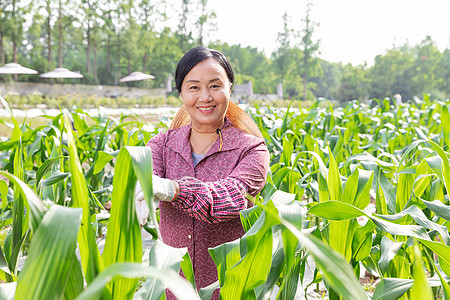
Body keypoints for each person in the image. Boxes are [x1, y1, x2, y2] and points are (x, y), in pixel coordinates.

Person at [137, 46, 269, 299]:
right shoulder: (162, 144)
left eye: (215, 86)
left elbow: (231, 196)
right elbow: (146, 170)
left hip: (230, 287)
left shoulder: (251, 149)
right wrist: (141, 186)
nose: (205, 97)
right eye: (194, 87)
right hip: (173, 287)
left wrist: (173, 189)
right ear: (181, 93)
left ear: (230, 88)